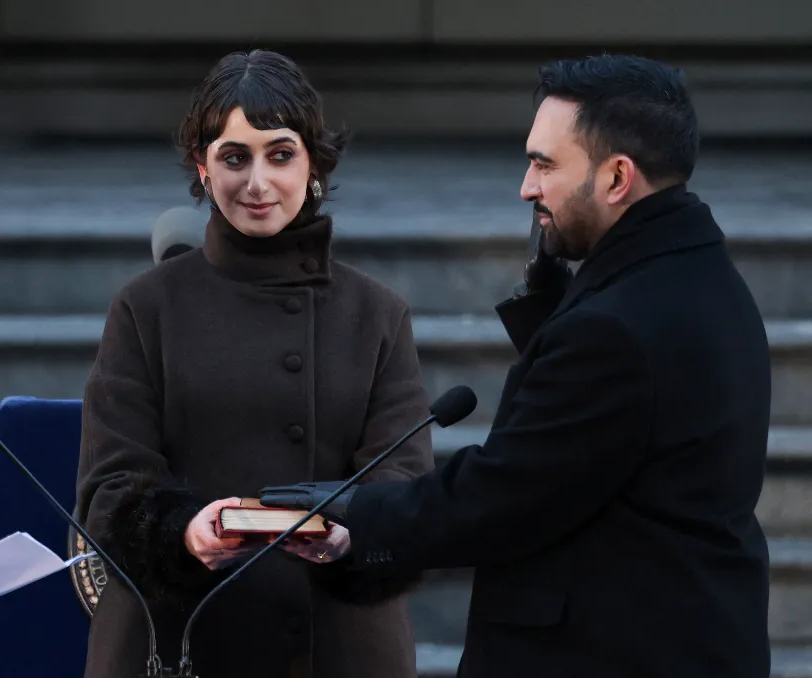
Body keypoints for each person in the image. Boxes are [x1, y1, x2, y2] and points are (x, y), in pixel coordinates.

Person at [260, 54, 771, 677]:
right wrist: (554, 315)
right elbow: (601, 445)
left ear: (616, 178)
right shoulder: (699, 274)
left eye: (544, 164)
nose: (527, 188)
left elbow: (508, 493)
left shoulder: (613, 330)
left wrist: (354, 514)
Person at [74, 50, 435, 678]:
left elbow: (405, 483)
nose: (257, 183)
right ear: (202, 167)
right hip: (179, 640)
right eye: (234, 157)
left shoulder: (377, 313)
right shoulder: (145, 307)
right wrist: (187, 534)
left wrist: (350, 533)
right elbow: (109, 492)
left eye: (281, 154)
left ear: (314, 164)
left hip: (336, 648)